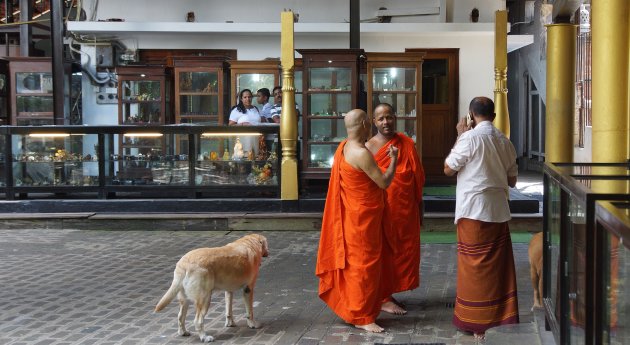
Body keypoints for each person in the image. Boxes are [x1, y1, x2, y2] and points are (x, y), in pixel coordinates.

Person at [316, 109, 399, 333]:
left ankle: (355, 309)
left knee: (355, 265)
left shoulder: (343, 147)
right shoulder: (361, 153)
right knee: (365, 266)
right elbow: (383, 182)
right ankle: (362, 317)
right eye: (369, 121)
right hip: (363, 219)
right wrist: (393, 160)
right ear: (364, 124)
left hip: (352, 217)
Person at [443, 96, 519, 340]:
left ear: (470, 115)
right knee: (497, 267)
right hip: (497, 211)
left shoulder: (469, 138)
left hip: (473, 211)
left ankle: (477, 322)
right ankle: (500, 316)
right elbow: (512, 180)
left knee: (474, 268)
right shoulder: (505, 141)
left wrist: (460, 135)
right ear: (494, 116)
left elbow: (448, 169)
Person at [366, 103, 425, 316]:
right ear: (374, 122)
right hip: (382, 211)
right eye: (381, 119)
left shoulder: (406, 143)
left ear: (395, 118)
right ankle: (382, 298)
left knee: (403, 253)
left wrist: (420, 209)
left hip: (405, 210)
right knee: (383, 253)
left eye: (389, 117)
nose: (386, 122)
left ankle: (388, 292)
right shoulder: (370, 147)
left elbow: (417, 179)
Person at [229, 89, 264, 155]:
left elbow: (260, 122)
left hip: (256, 140)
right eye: (245, 97)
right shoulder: (236, 110)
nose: (247, 99)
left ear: (252, 98)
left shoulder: (256, 109)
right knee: (244, 159)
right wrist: (242, 124)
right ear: (241, 99)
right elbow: (230, 125)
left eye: (249, 97)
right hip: (243, 140)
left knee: (255, 159)